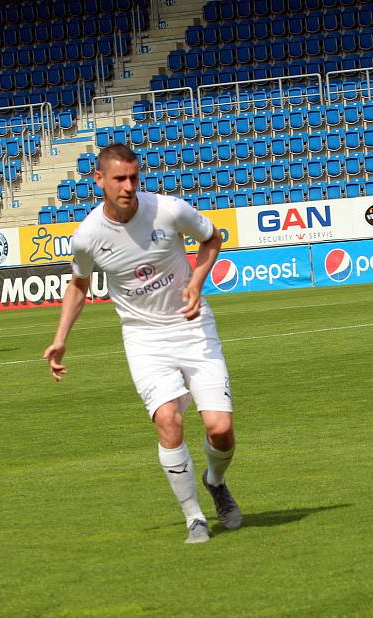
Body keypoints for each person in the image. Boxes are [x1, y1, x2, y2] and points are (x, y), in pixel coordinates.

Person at [43, 143, 241, 544]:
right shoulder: (87, 237)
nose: (129, 186)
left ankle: (215, 481)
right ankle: (194, 519)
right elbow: (79, 285)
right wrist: (61, 339)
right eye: (119, 178)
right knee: (169, 420)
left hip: (193, 327)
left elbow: (212, 238)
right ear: (99, 180)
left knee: (220, 429)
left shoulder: (168, 210)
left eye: (134, 177)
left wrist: (196, 282)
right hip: (144, 340)